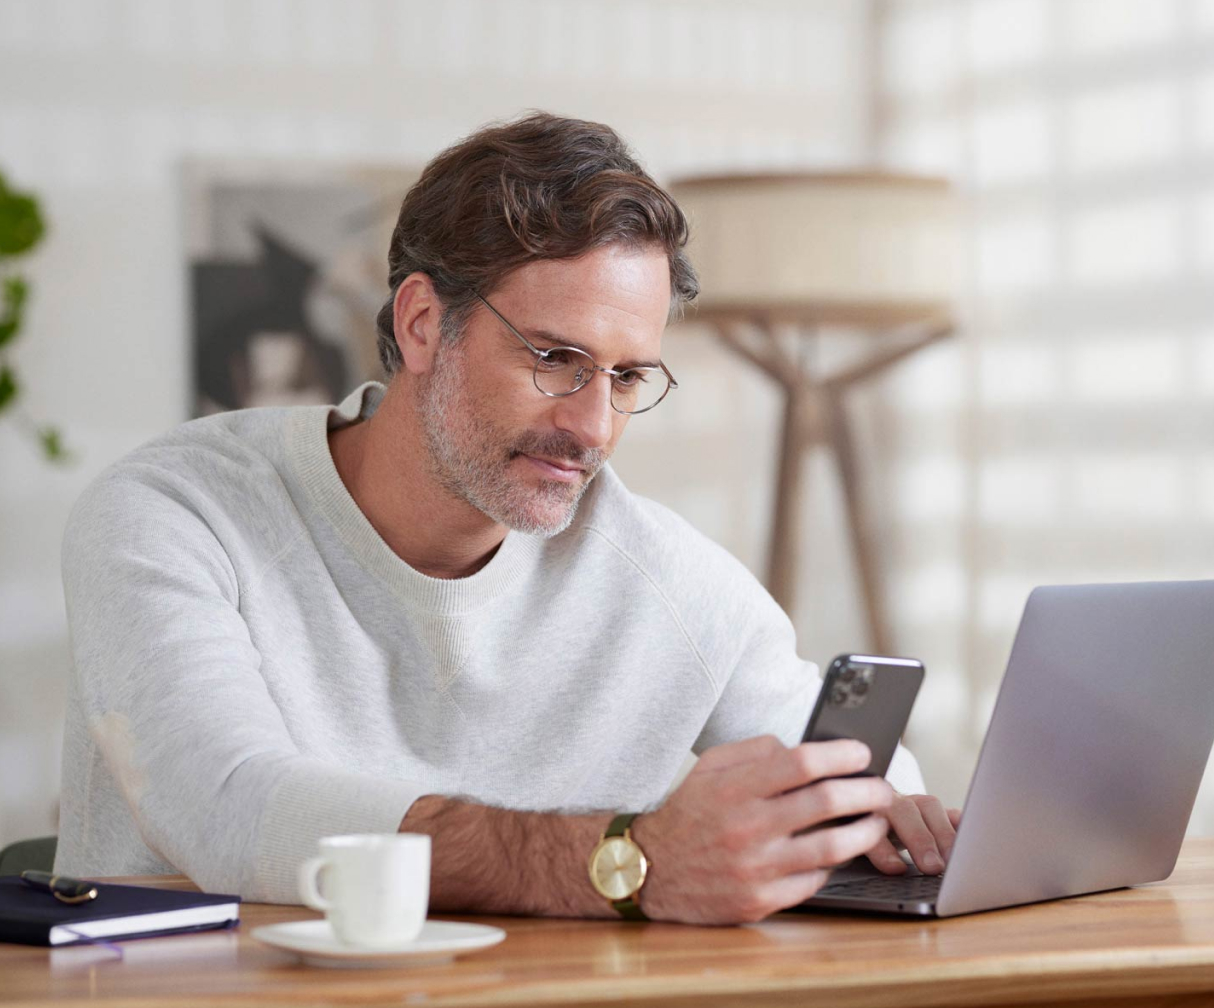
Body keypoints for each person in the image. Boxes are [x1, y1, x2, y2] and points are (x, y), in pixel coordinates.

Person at [55, 112, 959, 925]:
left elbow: (869, 781)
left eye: (628, 377)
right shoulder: (172, 516)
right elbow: (226, 806)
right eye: (555, 357)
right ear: (420, 324)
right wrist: (625, 862)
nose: (592, 426)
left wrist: (885, 820)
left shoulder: (664, 576)